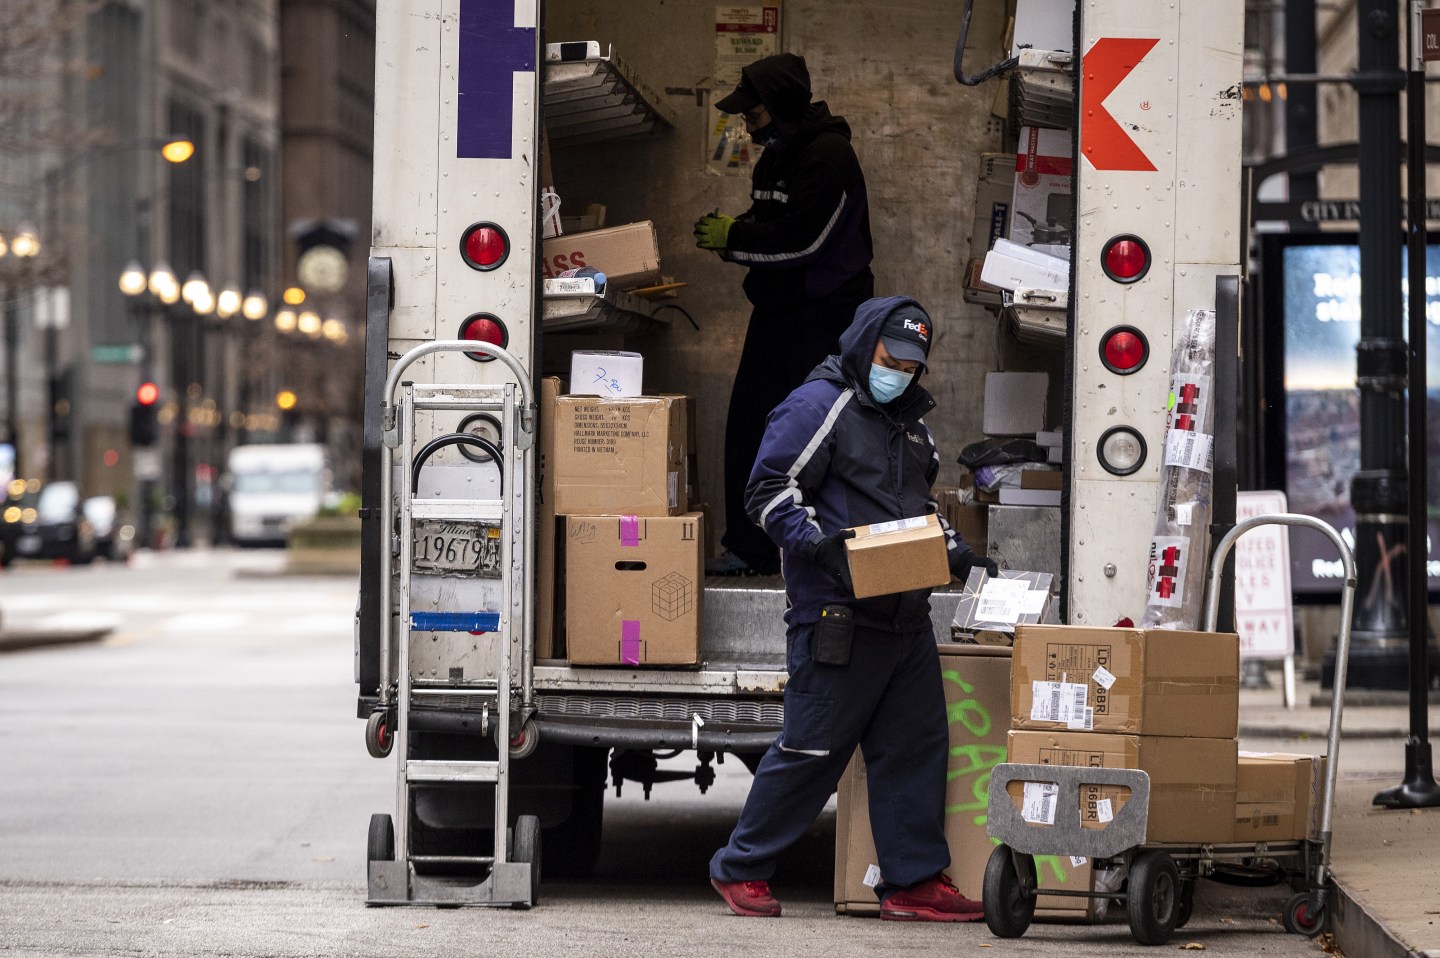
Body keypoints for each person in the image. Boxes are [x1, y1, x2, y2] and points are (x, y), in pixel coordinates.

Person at [708, 296, 998, 921]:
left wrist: (958, 553)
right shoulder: (819, 405)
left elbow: (919, 509)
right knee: (812, 751)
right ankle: (741, 867)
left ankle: (912, 881)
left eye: (911, 367)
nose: (899, 375)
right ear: (865, 345)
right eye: (891, 361)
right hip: (836, 615)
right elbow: (768, 490)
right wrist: (822, 547)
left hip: (905, 620)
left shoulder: (912, 426)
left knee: (915, 748)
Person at [695, 52, 874, 577]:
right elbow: (769, 219)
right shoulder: (776, 157)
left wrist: (736, 238)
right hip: (779, 311)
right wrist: (734, 231)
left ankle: (825, 552)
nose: (749, 127)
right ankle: (751, 549)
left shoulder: (828, 157)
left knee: (818, 430)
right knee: (751, 423)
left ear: (782, 106)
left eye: (753, 115)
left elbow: (805, 241)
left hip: (826, 317)